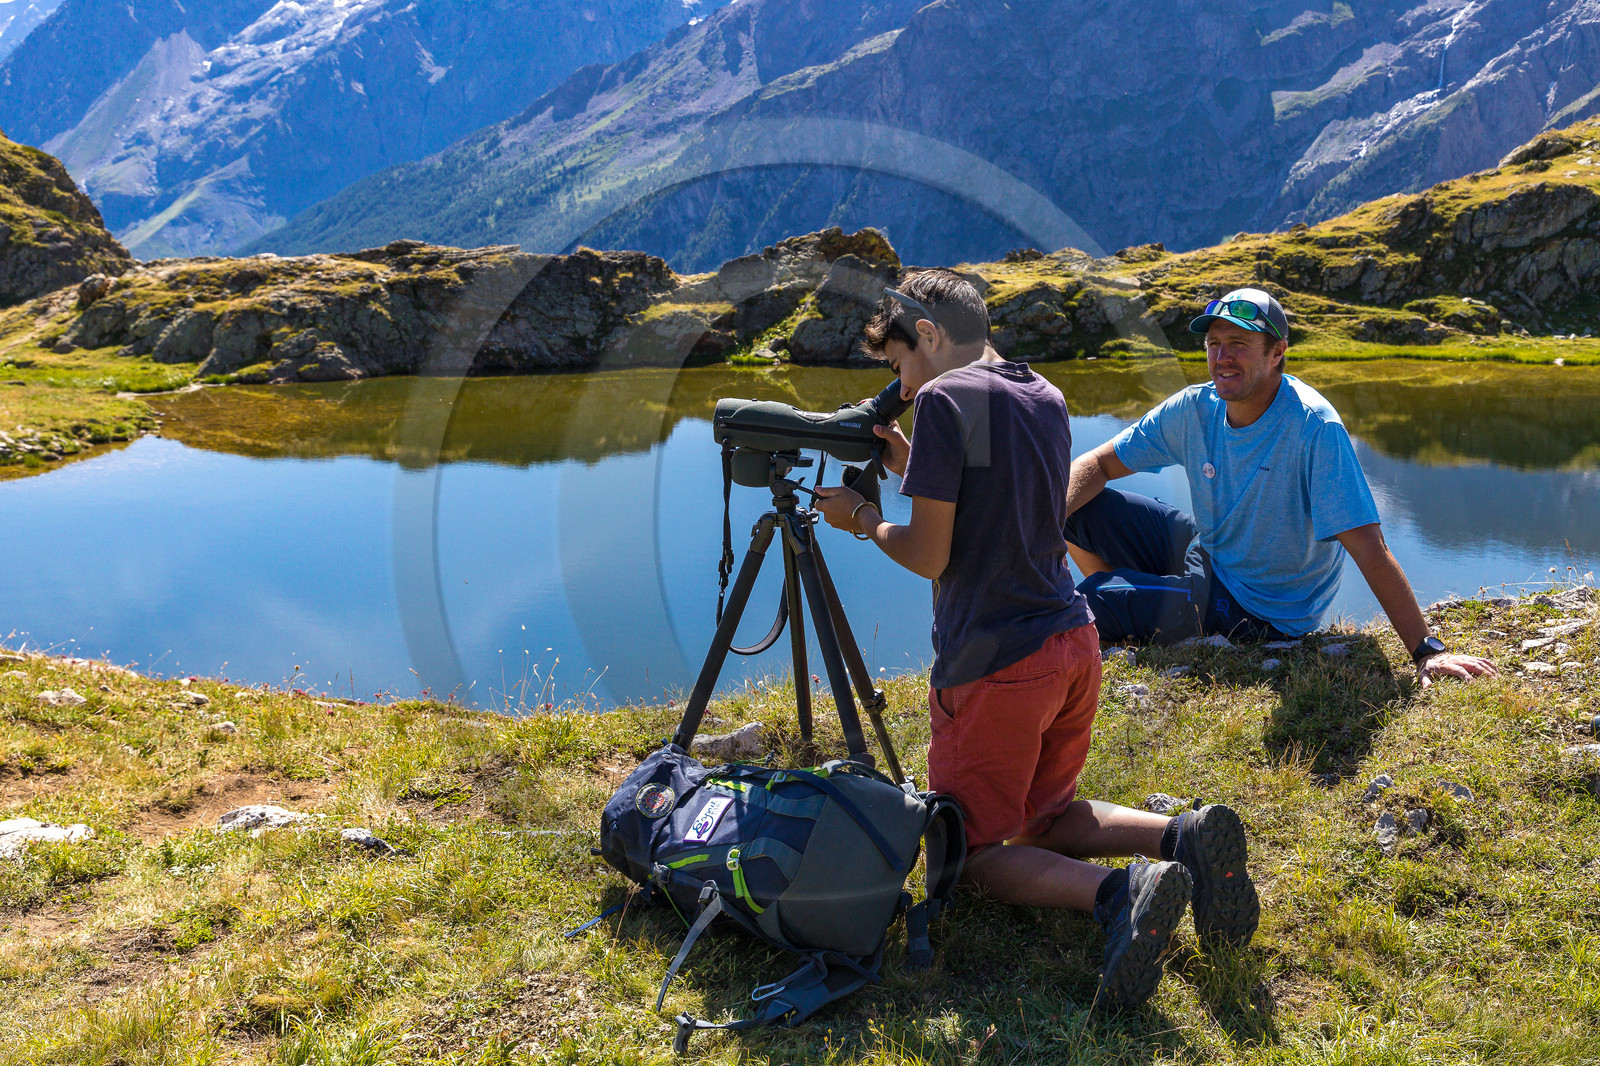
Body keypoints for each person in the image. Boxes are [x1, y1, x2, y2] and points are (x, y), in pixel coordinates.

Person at [815, 270, 1260, 1009]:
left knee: (969, 853)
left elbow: (930, 553)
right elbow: (998, 493)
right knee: (1043, 817)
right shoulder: (1041, 393)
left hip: (996, 665)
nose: (901, 385)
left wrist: (860, 518)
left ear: (926, 334)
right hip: (1070, 641)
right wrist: (908, 463)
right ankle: (1181, 836)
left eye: (899, 365)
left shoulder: (943, 399)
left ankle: (1123, 895)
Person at [1064, 287, 1498, 687]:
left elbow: (1368, 545)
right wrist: (1033, 529)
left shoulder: (1313, 428)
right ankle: (1138, 602)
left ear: (1277, 353)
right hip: (1212, 550)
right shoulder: (1195, 407)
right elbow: (1098, 462)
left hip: (1259, 606)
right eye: (1214, 343)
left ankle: (1121, 605)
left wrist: (1425, 650)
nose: (1222, 357)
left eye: (1239, 344)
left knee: (1087, 600)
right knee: (1077, 509)